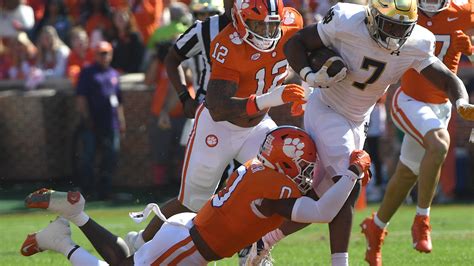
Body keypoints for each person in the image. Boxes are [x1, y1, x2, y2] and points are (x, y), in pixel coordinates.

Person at [251, 0, 474, 265]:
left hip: (359, 118)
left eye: (402, 28)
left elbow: (447, 79)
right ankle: (339, 261)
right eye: (389, 25)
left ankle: (263, 236)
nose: (394, 35)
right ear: (372, 18)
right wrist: (310, 75)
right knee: (348, 181)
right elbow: (296, 43)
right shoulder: (347, 19)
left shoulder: (416, 41)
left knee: (325, 196)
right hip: (328, 107)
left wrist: (460, 100)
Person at [20, 126, 372, 265]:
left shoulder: (262, 169)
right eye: (305, 163)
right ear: (284, 160)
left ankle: (68, 227)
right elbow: (324, 210)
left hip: (193, 235)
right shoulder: (273, 187)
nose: (309, 170)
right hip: (191, 243)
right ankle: (70, 226)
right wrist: (352, 173)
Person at [124, 0, 309, 254]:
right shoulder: (226, 42)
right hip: (218, 125)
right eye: (258, 25)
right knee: (192, 203)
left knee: (280, 183)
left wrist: (311, 81)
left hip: (257, 126)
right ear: (240, 19)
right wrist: (275, 97)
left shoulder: (291, 22)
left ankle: (255, 250)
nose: (267, 33)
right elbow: (219, 106)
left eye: (271, 26)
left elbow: (305, 51)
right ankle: (142, 242)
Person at [360, 0, 474, 264]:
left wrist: (470, 50)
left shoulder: (464, 10)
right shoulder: (402, 8)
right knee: (439, 144)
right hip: (409, 99)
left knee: (407, 173)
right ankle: (423, 219)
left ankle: (375, 227)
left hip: (442, 106)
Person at [75, 41, 126, 200]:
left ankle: (105, 190)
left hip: (110, 123)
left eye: (106, 53)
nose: (104, 56)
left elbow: (118, 101)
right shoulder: (88, 72)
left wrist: (121, 121)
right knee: (88, 156)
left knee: (110, 156)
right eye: (100, 53)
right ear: (95, 55)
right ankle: (87, 190)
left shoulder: (114, 74)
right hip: (93, 122)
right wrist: (86, 117)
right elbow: (81, 97)